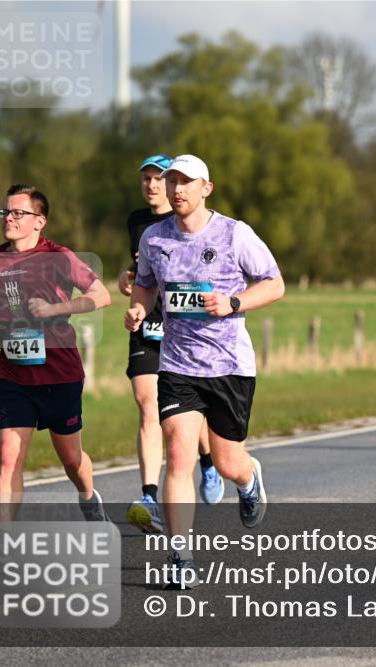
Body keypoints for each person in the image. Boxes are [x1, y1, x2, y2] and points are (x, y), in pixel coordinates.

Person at [124, 154, 284, 589]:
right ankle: (180, 557)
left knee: (229, 462)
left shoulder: (234, 233)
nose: (176, 189)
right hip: (177, 365)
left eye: (186, 182)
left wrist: (233, 303)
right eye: (171, 181)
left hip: (229, 365)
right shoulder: (155, 237)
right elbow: (146, 284)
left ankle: (248, 480)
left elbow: (274, 284)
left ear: (206, 188)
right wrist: (139, 308)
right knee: (178, 455)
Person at [0, 184, 112, 564]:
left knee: (71, 460)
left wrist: (54, 309)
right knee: (9, 457)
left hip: (59, 372)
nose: (9, 218)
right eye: (6, 212)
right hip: (12, 373)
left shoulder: (58, 257)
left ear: (39, 221)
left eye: (18, 213)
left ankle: (88, 497)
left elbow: (102, 296)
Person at [120, 154, 224, 534]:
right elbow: (139, 273)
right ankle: (149, 496)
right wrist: (128, 282)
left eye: (159, 178)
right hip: (148, 322)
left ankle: (209, 461)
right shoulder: (138, 222)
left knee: (188, 412)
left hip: (186, 328)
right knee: (149, 406)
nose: (152, 185)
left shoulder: (195, 221)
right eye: (146, 179)